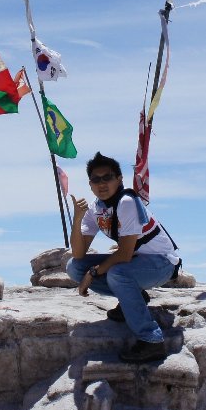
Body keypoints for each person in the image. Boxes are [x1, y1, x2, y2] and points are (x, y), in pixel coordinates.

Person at [67, 152, 180, 364]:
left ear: (119, 179)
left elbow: (124, 254)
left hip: (161, 263)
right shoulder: (96, 209)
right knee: (74, 267)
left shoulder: (126, 202)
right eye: (96, 179)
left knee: (117, 273)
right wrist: (78, 219)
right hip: (136, 263)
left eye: (107, 177)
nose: (102, 184)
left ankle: (151, 340)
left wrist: (93, 273)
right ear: (90, 184)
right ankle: (134, 298)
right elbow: (79, 254)